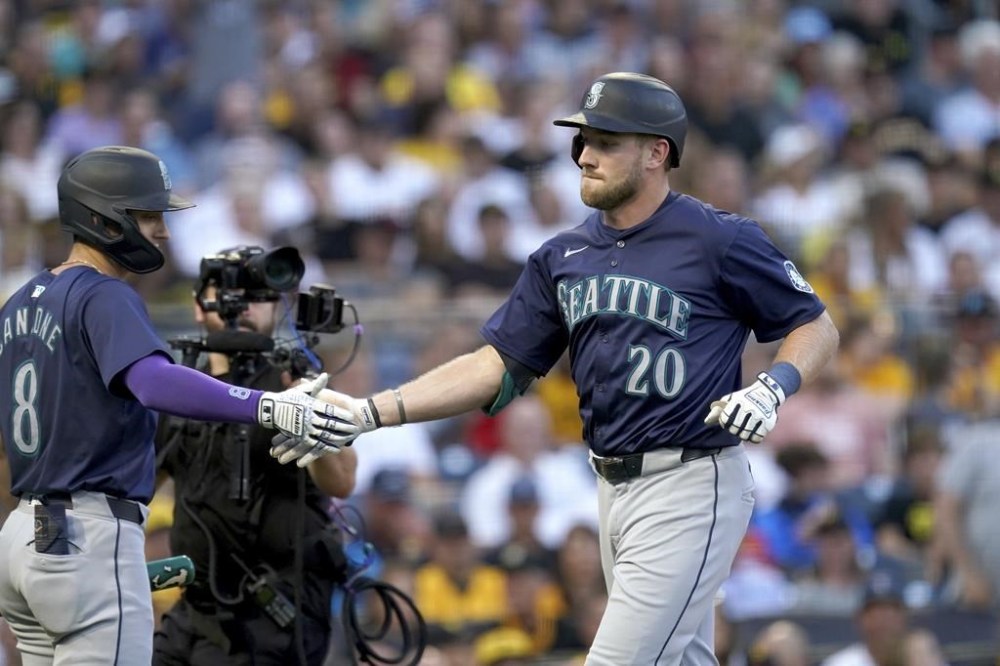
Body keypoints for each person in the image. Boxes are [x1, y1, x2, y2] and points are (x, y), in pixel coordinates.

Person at [275, 72, 839, 663]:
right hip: (611, 488)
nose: (586, 156)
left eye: (605, 142)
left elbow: (815, 324)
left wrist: (773, 387)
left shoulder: (719, 238)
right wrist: (371, 410)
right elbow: (494, 364)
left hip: (692, 482)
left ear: (656, 153)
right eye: (581, 142)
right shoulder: (562, 255)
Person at [0, 146, 357, 665]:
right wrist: (269, 405)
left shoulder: (19, 301)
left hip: (23, 538)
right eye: (148, 216)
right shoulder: (104, 295)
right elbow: (151, 382)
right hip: (87, 538)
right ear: (104, 218)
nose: (162, 232)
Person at [152, 259, 358, 665]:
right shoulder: (178, 394)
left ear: (278, 307)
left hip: (274, 610)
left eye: (258, 294)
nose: (244, 304)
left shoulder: (294, 384)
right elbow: (136, 490)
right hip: (196, 605)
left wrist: (309, 411)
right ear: (199, 306)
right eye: (229, 289)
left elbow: (342, 481)